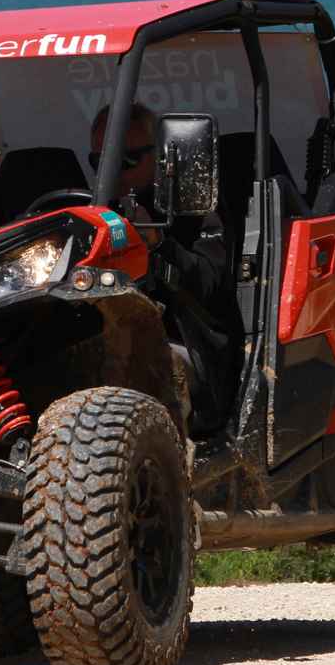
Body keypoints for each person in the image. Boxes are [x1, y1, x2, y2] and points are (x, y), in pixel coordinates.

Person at [90, 104, 233, 435]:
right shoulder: (91, 211)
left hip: (184, 344)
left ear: (160, 155)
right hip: (105, 342)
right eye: (100, 163)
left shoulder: (192, 205)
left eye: (126, 161)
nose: (113, 173)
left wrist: (158, 244)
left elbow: (209, 284)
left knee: (134, 369)